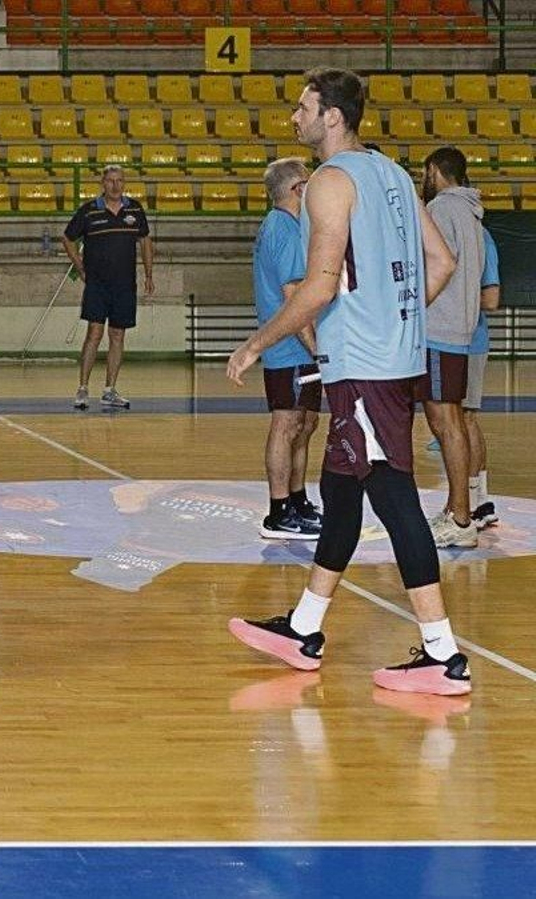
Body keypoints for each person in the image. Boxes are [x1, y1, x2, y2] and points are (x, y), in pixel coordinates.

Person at [224, 67, 468, 696]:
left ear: (333, 115)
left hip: (364, 367)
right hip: (384, 361)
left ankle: (442, 653)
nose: (294, 118)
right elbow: (441, 261)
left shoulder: (330, 183)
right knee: (341, 490)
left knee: (393, 496)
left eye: (303, 107)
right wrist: (396, 319)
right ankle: (305, 628)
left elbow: (321, 284)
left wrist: (257, 342)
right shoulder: (390, 173)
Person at [252, 157, 324, 541]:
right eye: (309, 183)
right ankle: (278, 511)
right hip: (289, 348)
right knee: (286, 424)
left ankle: (297, 500)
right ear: (297, 188)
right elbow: (295, 298)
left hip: (297, 348)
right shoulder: (283, 229)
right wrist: (316, 349)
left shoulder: (288, 226)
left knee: (305, 424)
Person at [419, 146, 484, 548]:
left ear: (433, 171)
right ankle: (456, 509)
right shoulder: (471, 212)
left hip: (440, 330)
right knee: (453, 422)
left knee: (446, 424)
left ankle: (460, 520)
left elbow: (437, 267)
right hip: (458, 330)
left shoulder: (443, 209)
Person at [61, 164, 155, 410]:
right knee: (94, 333)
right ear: (103, 183)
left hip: (125, 285)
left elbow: (145, 240)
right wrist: (80, 267)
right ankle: (82, 389)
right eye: (111, 180)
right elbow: (67, 239)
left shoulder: (135, 209)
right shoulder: (89, 211)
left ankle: (109, 390)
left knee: (118, 335)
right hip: (97, 285)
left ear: (124, 183)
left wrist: (148, 273)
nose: (115, 185)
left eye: (120, 180)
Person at [465, 227, 499, 529]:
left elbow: (490, 299)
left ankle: (473, 503)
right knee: (466, 421)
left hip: (466, 342)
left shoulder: (479, 236)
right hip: (460, 342)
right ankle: (482, 501)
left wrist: (451, 302)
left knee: (463, 422)